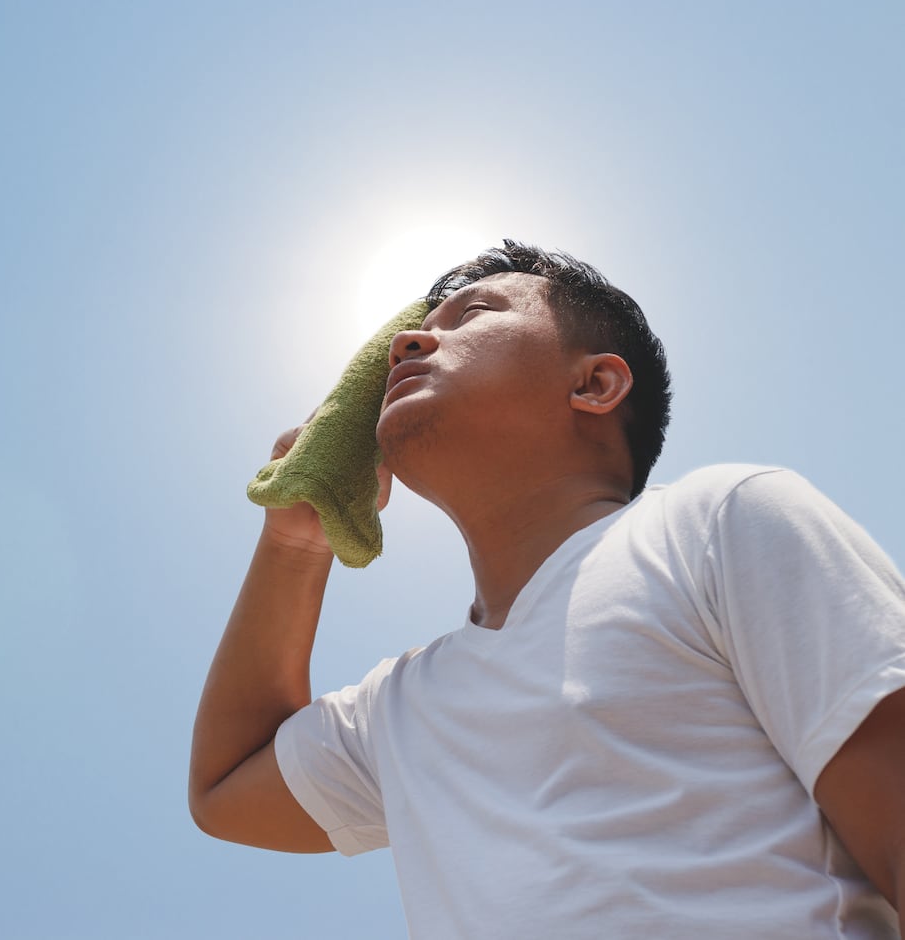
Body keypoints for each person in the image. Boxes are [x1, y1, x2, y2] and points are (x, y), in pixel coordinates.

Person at [189, 241, 905, 938]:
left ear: (594, 385)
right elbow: (226, 790)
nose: (406, 342)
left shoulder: (716, 521)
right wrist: (294, 539)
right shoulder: (400, 707)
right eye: (413, 332)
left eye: (472, 315)